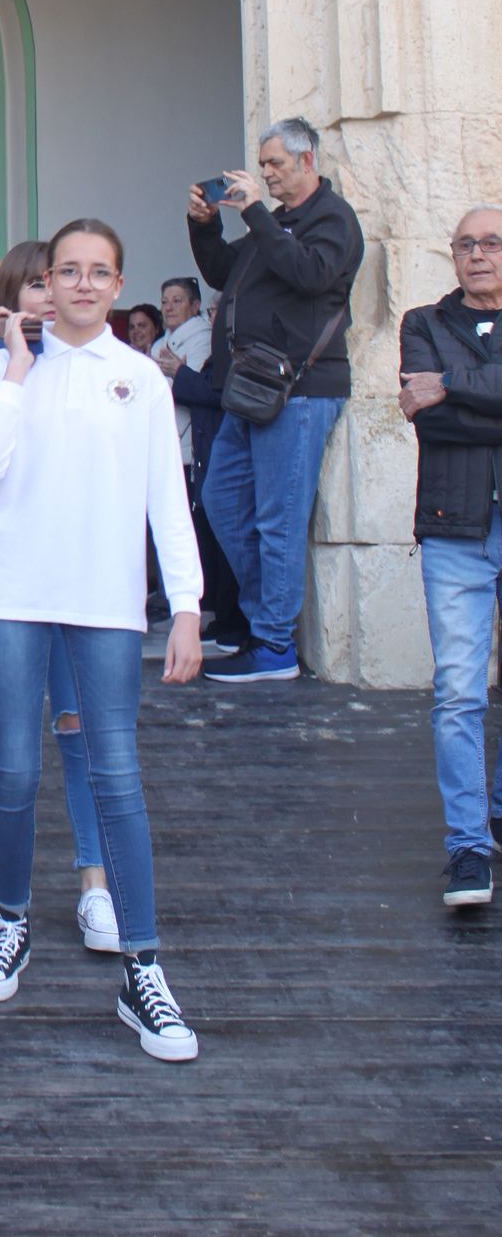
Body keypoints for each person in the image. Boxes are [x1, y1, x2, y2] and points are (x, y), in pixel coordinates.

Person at [0, 219, 204, 1061]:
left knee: (116, 775)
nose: (85, 285)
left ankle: (143, 967)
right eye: (69, 270)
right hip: (13, 591)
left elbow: (166, 499)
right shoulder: (5, 369)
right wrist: (16, 373)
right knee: (16, 767)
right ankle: (13, 919)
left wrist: (188, 606)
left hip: (104, 600)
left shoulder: (141, 377)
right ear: (47, 282)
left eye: (101, 272)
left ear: (118, 281)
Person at [0, 239, 119, 954]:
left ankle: (96, 884)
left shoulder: (88, 364)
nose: (49, 296)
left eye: (60, 282)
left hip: (76, 575)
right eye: (36, 284)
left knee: (78, 729)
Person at [188, 119, 365, 684]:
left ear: (307, 160)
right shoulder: (277, 222)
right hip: (252, 391)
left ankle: (273, 645)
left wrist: (256, 213)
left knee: (278, 522)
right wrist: (204, 226)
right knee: (220, 501)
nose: (264, 173)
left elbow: (309, 275)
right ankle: (266, 619)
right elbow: (222, 271)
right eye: (262, 165)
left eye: (275, 165)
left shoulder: (331, 220)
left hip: (299, 393)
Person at [398, 206, 502, 909]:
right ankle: (468, 844)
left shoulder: (445, 353)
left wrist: (453, 385)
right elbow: (420, 410)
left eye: (490, 242)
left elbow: (442, 400)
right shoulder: (422, 324)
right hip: (453, 525)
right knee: (459, 692)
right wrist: (447, 396)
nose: (477, 254)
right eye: (464, 245)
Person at [154, 278, 246, 656]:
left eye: (179, 301)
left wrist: (178, 374)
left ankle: (225, 618)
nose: (170, 307)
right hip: (180, 447)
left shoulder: (204, 338)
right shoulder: (167, 341)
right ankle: (206, 613)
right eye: (165, 301)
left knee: (217, 535)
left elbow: (211, 390)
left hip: (206, 445)